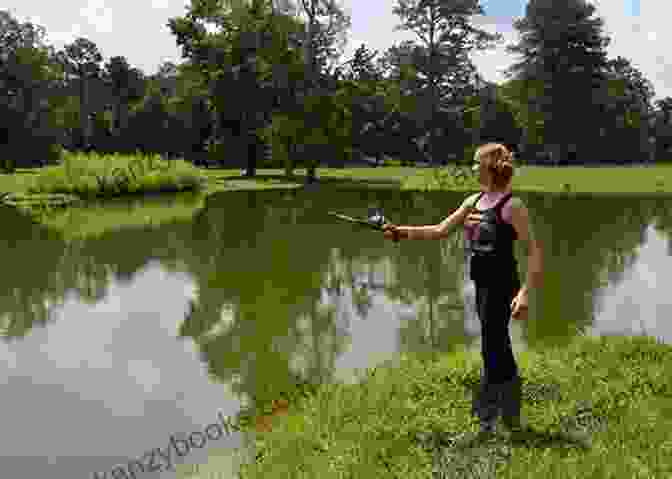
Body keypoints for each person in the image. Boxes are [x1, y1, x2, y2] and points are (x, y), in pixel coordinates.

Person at [383, 143, 543, 441]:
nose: (471, 168)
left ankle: (486, 419)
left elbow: (534, 252)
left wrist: (524, 293)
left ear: (490, 168)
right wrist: (401, 231)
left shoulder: (512, 206)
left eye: (475, 163)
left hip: (502, 284)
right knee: (497, 343)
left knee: (490, 344)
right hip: (481, 282)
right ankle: (510, 407)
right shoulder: (473, 201)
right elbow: (439, 230)